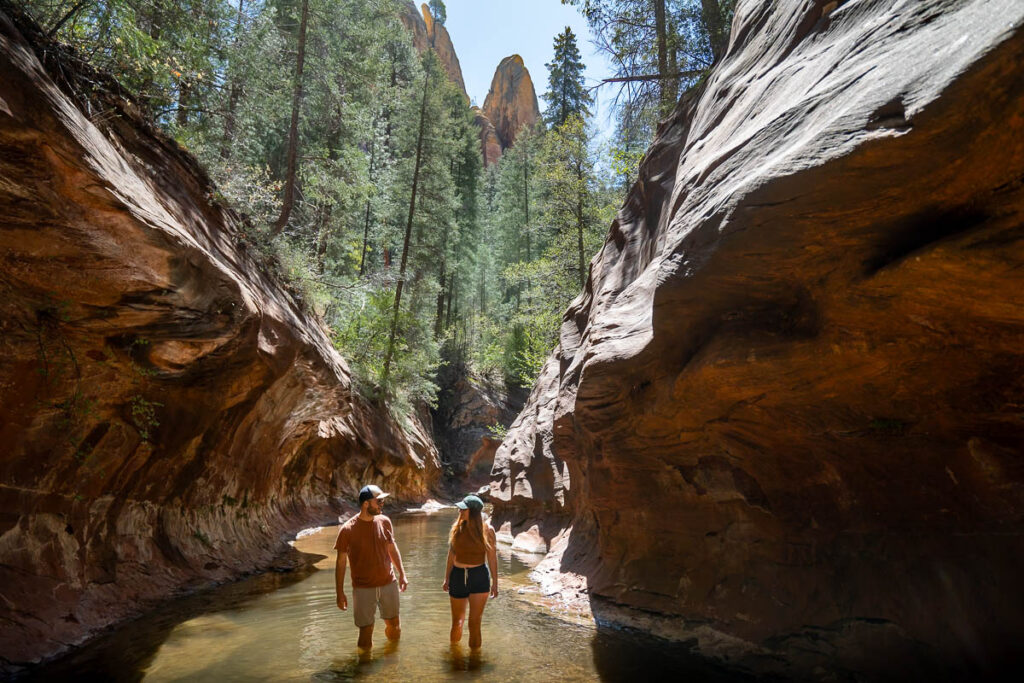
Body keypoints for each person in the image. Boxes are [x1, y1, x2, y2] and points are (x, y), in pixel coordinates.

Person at [335, 484, 409, 650]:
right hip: (363, 588)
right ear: (366, 504)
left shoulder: (385, 522)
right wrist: (340, 593)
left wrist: (402, 574)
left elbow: (392, 548)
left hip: (388, 583)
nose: (382, 504)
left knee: (395, 626)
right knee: (366, 632)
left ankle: (391, 661)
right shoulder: (347, 530)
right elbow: (340, 563)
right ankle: (364, 671)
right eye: (379, 501)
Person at [442, 494, 498, 649]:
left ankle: (474, 663)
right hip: (458, 576)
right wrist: (446, 578)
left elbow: (492, 558)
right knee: (457, 622)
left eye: (463, 509)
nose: (459, 511)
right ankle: (455, 655)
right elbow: (451, 555)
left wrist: (495, 583)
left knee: (474, 623)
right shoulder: (457, 528)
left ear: (472, 512)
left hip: (479, 576)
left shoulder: (488, 531)